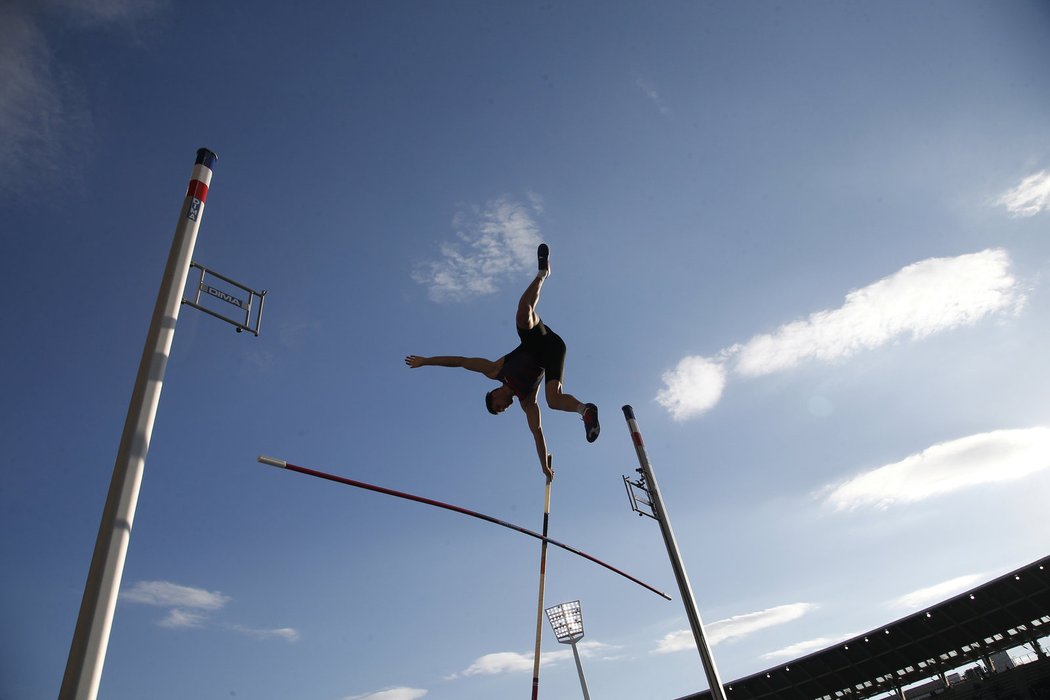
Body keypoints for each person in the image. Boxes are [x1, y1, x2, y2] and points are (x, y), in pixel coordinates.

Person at [405, 244, 599, 481]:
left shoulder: (494, 371)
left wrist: (426, 361)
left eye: (497, 406)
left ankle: (542, 274)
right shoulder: (527, 400)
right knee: (553, 400)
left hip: (536, 340)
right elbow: (537, 434)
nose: (503, 408)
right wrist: (544, 468)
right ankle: (586, 410)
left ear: (494, 394)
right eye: (501, 410)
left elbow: (460, 361)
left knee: (523, 311)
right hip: (552, 353)